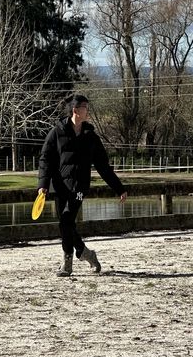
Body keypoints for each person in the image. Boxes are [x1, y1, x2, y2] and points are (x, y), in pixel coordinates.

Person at [37, 94, 127, 277]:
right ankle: (85, 253)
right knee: (65, 223)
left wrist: (119, 188)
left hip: (79, 187)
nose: (88, 110)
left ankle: (67, 263)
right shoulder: (56, 132)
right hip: (60, 186)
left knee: (67, 219)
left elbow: (103, 166)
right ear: (75, 110)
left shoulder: (91, 137)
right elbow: (45, 159)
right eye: (85, 107)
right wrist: (43, 184)